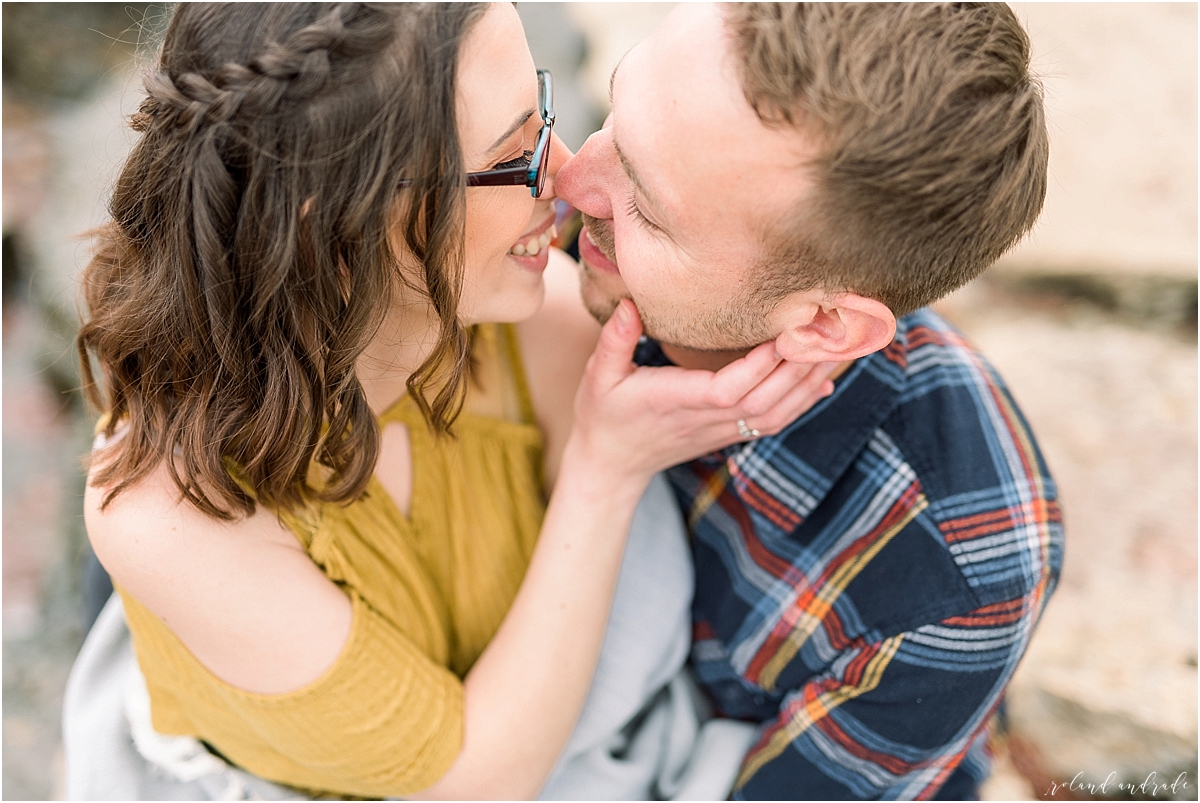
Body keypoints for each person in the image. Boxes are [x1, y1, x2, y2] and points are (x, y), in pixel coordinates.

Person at [63, 4, 836, 800]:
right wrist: (605, 470)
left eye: (544, 114)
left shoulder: (524, 323)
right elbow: (472, 781)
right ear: (339, 222)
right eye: (513, 156)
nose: (564, 172)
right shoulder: (170, 513)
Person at [555, 3, 1065, 799]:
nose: (565, 178)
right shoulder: (582, 209)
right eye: (618, 111)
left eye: (648, 211)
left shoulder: (954, 575)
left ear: (826, 323)